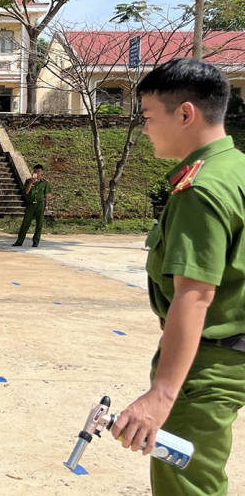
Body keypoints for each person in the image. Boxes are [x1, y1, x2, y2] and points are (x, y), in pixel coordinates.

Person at [106, 58, 245, 496]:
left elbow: (195, 296)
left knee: (188, 486)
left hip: (207, 365)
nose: (144, 129)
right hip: (232, 355)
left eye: (148, 117)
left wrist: (162, 394)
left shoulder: (201, 190)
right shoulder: (236, 169)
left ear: (186, 113)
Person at [13, 164, 51, 247]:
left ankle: (36, 241)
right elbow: (26, 191)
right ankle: (19, 241)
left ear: (42, 172)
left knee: (39, 223)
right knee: (25, 223)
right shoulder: (28, 181)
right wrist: (31, 183)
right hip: (30, 204)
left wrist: (46, 206)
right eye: (35, 171)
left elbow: (46, 195)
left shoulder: (45, 183)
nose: (37, 173)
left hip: (40, 204)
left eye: (38, 171)